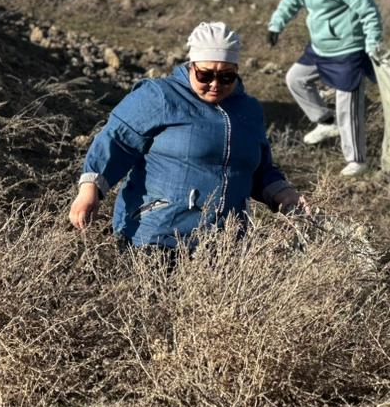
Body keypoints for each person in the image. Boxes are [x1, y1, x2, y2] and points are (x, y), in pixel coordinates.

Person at [69, 22, 309, 250]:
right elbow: (116, 141)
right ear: (191, 66)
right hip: (155, 237)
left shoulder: (249, 109)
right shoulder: (160, 96)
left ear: (236, 71)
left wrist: (283, 194)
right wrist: (90, 189)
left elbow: (257, 167)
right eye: (205, 75)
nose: (215, 84)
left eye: (226, 76)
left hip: (224, 244)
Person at [268, 0, 383, 176]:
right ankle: (326, 121)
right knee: (295, 79)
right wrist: (277, 23)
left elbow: (369, 12)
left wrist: (373, 44)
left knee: (347, 107)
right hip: (320, 46)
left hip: (347, 49)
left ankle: (357, 161)